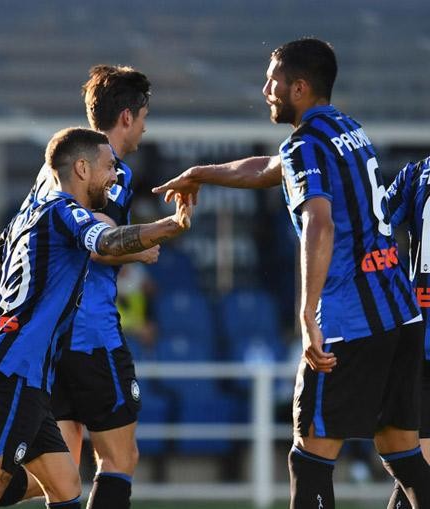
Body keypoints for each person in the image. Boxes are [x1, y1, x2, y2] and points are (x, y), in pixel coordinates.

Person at [152, 37, 430, 508]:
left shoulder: (305, 144)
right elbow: (269, 168)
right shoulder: (348, 130)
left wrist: (307, 313)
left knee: (310, 459)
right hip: (400, 316)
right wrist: (202, 173)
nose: (266, 90)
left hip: (349, 321)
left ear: (299, 88)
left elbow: (319, 222)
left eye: (273, 81)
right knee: (403, 455)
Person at [0, 127, 192, 509]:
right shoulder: (66, 212)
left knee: (65, 485)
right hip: (16, 370)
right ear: (81, 169)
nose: (115, 176)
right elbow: (106, 242)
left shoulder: (27, 216)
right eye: (108, 167)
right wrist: (172, 225)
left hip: (16, 369)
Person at [0, 64, 158, 509]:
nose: (144, 128)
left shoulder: (50, 177)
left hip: (50, 345)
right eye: (144, 117)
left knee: (58, 473)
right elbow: (99, 242)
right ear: (128, 116)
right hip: (90, 335)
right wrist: (149, 240)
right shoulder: (113, 176)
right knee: (119, 458)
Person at [385, 157, 430, 508]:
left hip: (417, 336)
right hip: (419, 346)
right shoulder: (415, 175)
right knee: (419, 474)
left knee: (417, 476)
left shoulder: (417, 174)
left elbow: (369, 227)